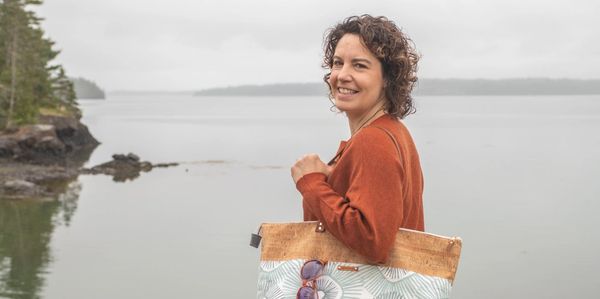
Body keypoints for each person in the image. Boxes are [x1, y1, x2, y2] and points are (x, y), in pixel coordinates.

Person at [290, 15, 424, 264]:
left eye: (360, 65)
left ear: (387, 78)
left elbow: (372, 240)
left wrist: (311, 184)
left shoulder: (374, 140)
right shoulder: (394, 132)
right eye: (338, 63)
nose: (342, 75)